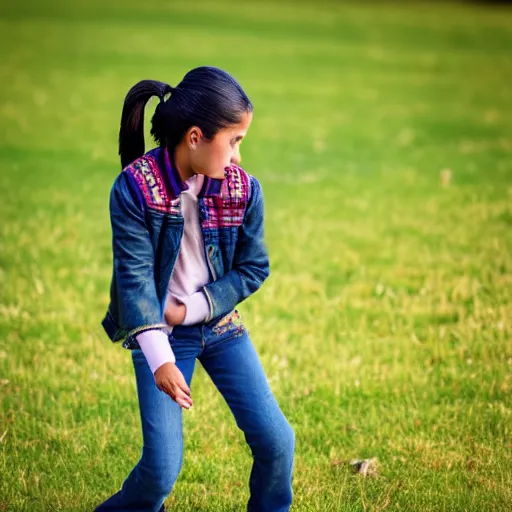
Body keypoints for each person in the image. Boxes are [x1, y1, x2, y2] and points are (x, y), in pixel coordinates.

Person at [95, 66, 295, 512]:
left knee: (278, 442)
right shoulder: (134, 190)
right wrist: (161, 359)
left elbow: (253, 267)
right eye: (234, 141)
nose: (238, 157)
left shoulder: (243, 191)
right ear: (195, 137)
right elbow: (134, 281)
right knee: (160, 472)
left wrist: (192, 309)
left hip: (219, 327)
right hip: (159, 338)